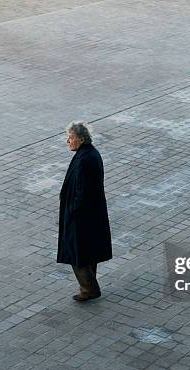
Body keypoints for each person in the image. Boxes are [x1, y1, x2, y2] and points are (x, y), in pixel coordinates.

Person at [57, 121, 112, 301]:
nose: (68, 141)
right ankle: (89, 287)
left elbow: (83, 191)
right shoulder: (88, 153)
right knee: (87, 252)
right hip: (91, 214)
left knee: (77, 252)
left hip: (82, 216)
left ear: (80, 139)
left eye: (71, 138)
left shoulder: (85, 159)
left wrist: (71, 210)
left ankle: (89, 289)